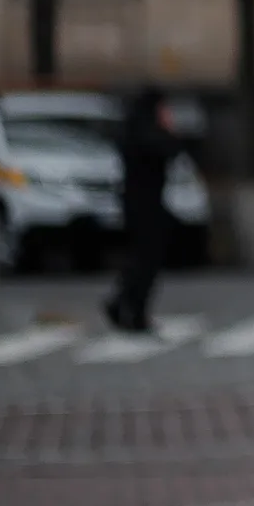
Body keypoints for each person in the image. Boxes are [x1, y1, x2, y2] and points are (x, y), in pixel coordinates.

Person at [102, 88, 174, 334]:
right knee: (147, 259)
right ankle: (132, 309)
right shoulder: (146, 133)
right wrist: (168, 130)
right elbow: (169, 151)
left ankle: (123, 304)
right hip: (146, 203)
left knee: (140, 257)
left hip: (137, 201)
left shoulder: (133, 130)